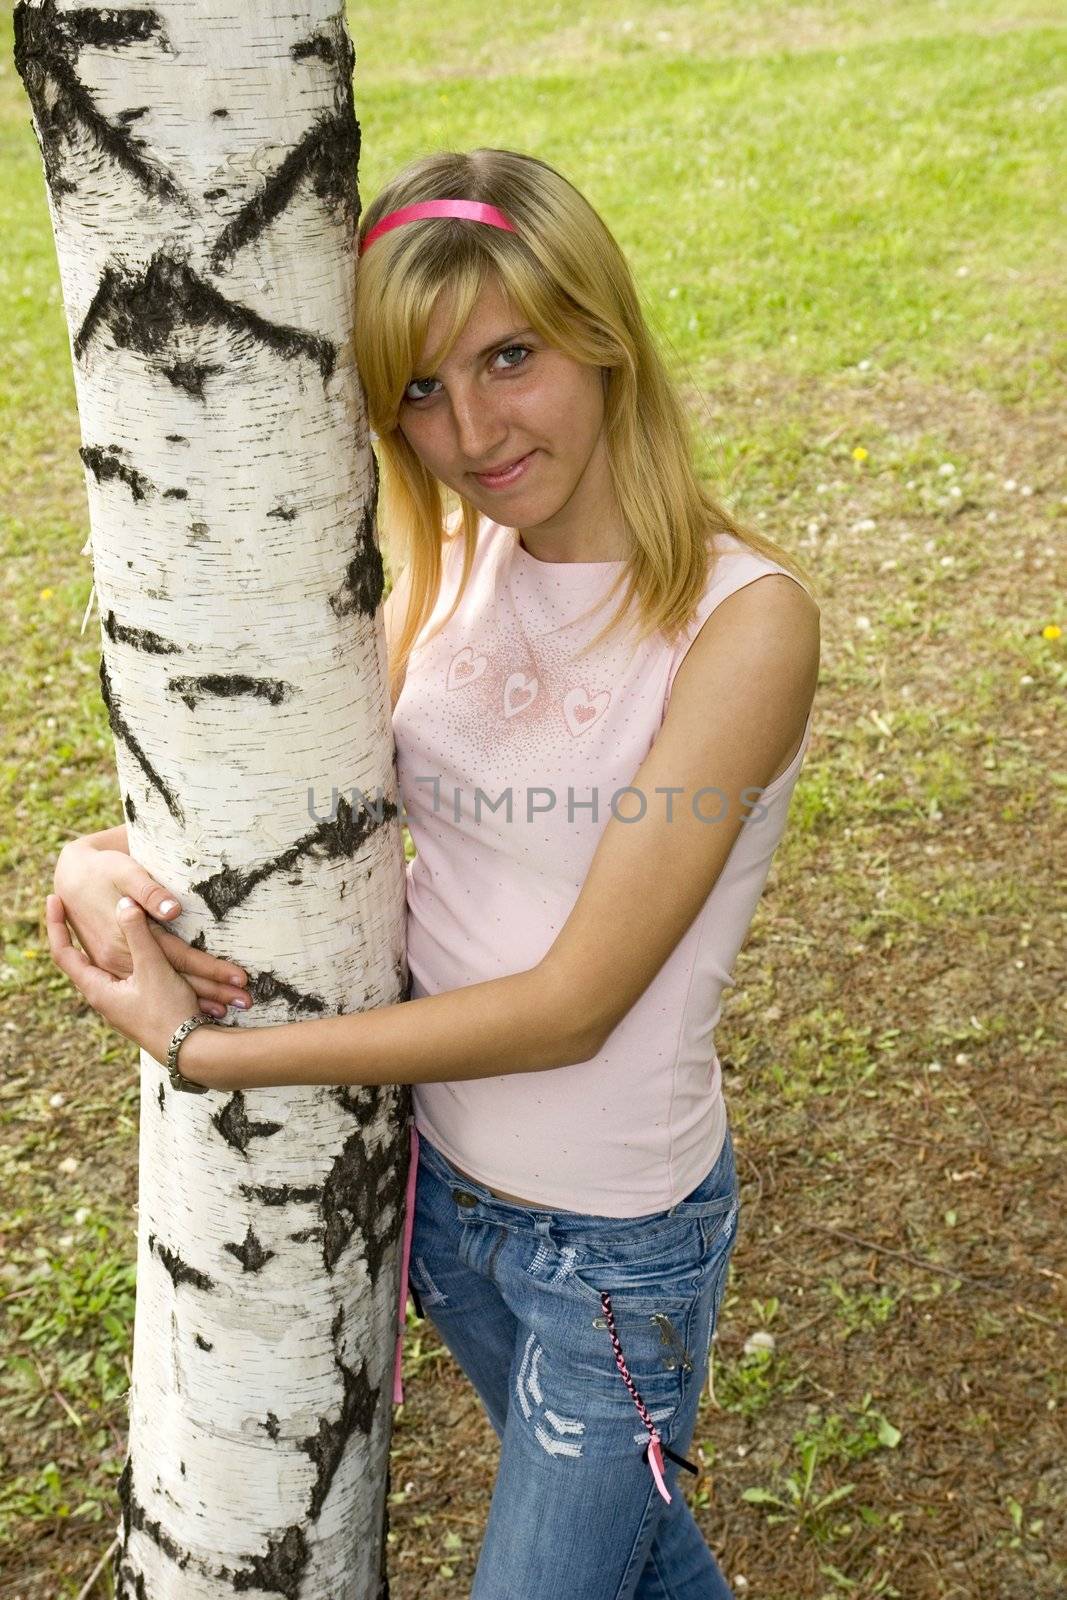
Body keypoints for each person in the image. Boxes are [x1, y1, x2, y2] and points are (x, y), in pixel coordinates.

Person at [46, 147, 820, 1598]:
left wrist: (210, 1057)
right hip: (445, 1205)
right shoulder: (459, 559)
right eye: (419, 387)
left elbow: (575, 1005)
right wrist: (101, 862)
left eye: (509, 357)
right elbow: (312, 799)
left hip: (612, 1250)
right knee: (638, 1566)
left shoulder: (745, 626)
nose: (470, 427)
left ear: (601, 333)